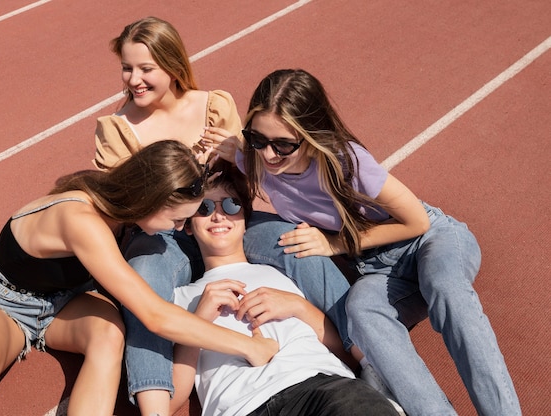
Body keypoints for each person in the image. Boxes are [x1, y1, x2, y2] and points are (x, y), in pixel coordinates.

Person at [217, 68, 520, 415]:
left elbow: (416, 221)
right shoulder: (256, 158)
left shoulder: (346, 162)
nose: (269, 154)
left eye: (283, 144)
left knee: (446, 287)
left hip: (429, 241)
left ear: (312, 133)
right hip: (377, 269)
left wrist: (336, 244)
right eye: (258, 139)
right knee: (361, 310)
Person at [94, 18, 355, 415]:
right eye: (127, 68)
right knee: (144, 277)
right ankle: (154, 404)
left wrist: (234, 152)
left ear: (173, 66)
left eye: (146, 69)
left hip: (227, 215)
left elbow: (247, 183)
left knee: (295, 239)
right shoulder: (117, 130)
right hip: (164, 234)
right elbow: (126, 204)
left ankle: (364, 346)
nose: (134, 79)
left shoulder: (214, 105)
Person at [0, 141, 277, 416]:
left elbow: (163, 164)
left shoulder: (123, 201)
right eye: (176, 220)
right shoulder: (82, 220)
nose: (178, 230)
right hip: (5, 302)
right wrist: (248, 346)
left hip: (67, 301)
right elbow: (155, 316)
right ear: (150, 200)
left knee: (109, 333)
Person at [169, 165, 400, 416]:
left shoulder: (283, 270)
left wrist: (298, 306)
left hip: (322, 387)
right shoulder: (179, 297)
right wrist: (197, 324)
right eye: (205, 207)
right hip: (243, 408)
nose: (219, 216)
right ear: (188, 224)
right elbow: (170, 399)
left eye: (231, 205)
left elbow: (346, 354)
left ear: (246, 218)